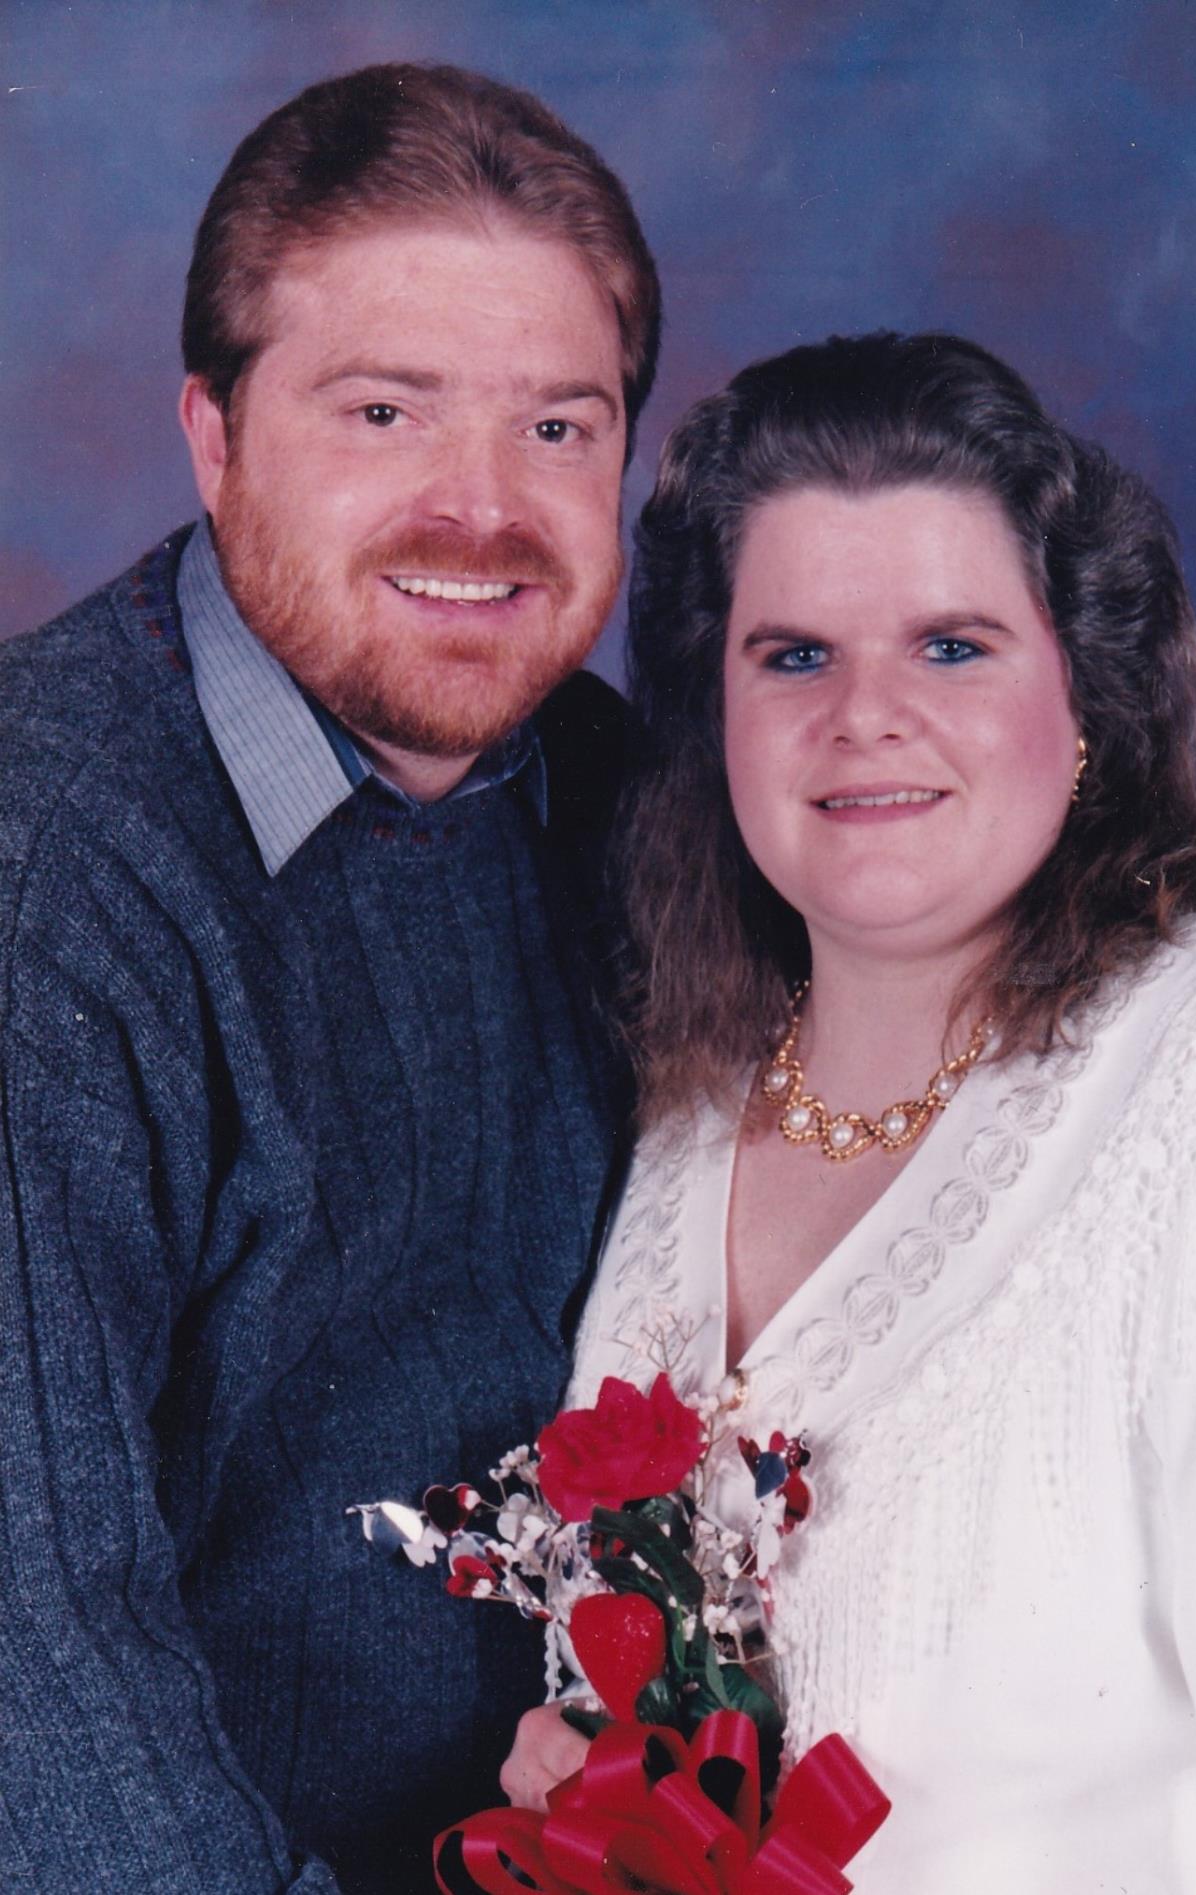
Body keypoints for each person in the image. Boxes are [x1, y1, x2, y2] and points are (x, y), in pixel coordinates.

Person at [504, 333, 1196, 1892]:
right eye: (794, 656)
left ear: (1086, 699)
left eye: (952, 647)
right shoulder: (682, 1115)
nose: (866, 715)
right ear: (716, 719)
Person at [0, 63, 659, 1893]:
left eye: (559, 427)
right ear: (213, 437)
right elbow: (35, 1665)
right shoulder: (52, 885)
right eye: (384, 411)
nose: (483, 509)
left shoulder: (622, 804)